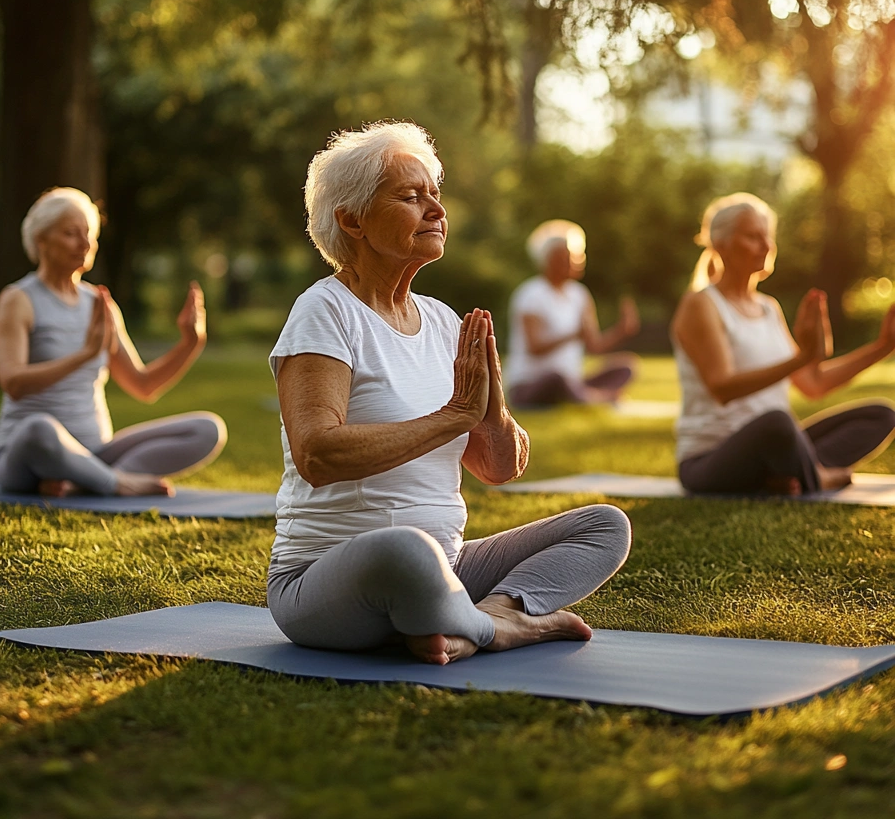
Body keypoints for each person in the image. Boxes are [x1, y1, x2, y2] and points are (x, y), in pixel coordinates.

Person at [267, 122, 632, 666]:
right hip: (327, 576)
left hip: (449, 565)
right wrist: (454, 415)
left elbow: (498, 469)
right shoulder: (326, 311)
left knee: (605, 526)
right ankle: (502, 628)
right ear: (352, 219)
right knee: (407, 549)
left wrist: (493, 406)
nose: (435, 209)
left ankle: (492, 612)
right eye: (411, 197)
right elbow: (318, 455)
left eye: (435, 195)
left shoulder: (442, 321)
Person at [0, 187, 226, 497]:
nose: (85, 244)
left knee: (207, 429)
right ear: (41, 239)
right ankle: (114, 483)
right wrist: (85, 354)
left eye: (89, 234)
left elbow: (143, 386)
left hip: (95, 452)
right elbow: (13, 383)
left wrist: (190, 343)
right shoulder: (18, 299)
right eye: (71, 234)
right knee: (39, 427)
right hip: (28, 456)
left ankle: (79, 482)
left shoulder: (100, 304)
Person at [671, 192, 895, 496]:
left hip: (778, 445)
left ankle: (789, 476)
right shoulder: (701, 304)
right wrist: (803, 357)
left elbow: (813, 383)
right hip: (710, 460)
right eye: (753, 236)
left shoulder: (769, 308)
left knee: (881, 415)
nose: (766, 246)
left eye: (768, 236)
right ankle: (817, 477)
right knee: (777, 422)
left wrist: (883, 346)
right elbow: (722, 387)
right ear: (721, 245)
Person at [505, 220, 641, 408]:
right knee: (557, 379)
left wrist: (622, 330)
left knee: (626, 366)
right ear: (549, 261)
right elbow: (534, 348)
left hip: (571, 381)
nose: (577, 261)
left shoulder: (580, 295)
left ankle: (585, 395)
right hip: (531, 385)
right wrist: (573, 335)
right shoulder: (531, 295)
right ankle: (597, 398)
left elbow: (594, 346)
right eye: (569, 257)